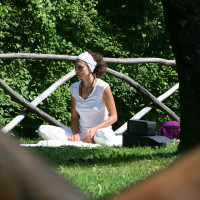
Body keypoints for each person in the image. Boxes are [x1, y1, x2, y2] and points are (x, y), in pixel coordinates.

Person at [38, 51, 118, 146]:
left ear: (90, 68)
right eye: (76, 67)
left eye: (80, 67)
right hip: (81, 134)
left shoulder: (103, 87)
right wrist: (75, 134)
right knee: (43, 129)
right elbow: (74, 117)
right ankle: (83, 142)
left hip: (100, 133)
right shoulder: (74, 88)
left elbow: (114, 117)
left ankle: (87, 141)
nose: (76, 70)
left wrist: (95, 129)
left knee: (105, 136)